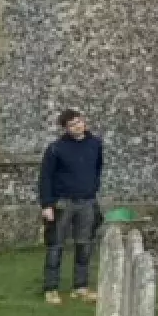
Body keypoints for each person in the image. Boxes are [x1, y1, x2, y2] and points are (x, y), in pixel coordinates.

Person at [39, 109, 104, 305]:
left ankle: (81, 287)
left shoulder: (95, 144)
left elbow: (97, 169)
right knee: (55, 246)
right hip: (62, 202)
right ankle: (51, 289)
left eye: (79, 122)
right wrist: (47, 205)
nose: (77, 126)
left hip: (87, 201)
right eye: (72, 125)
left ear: (84, 122)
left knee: (84, 245)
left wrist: (92, 188)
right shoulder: (56, 149)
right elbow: (45, 178)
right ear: (66, 129)